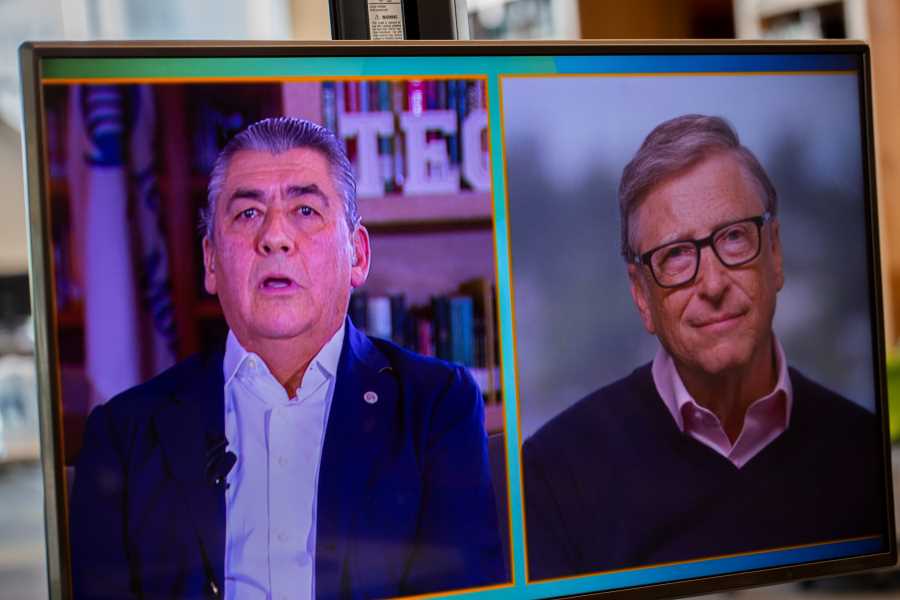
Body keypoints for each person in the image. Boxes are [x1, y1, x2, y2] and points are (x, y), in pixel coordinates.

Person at [69, 117, 506, 599]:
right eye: (248, 214)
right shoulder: (125, 434)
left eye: (305, 209)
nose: (275, 237)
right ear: (211, 262)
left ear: (357, 255)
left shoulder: (436, 408)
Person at [522, 114, 885, 581]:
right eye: (675, 255)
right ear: (641, 296)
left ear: (774, 253)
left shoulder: (862, 453)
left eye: (734, 237)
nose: (712, 284)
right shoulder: (555, 475)